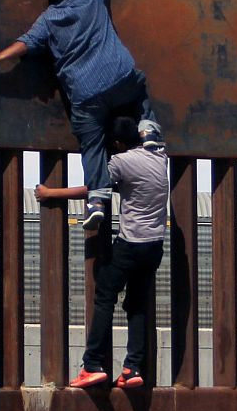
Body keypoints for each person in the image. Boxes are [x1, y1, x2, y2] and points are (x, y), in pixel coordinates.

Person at [0, 0, 158, 230]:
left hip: (86, 94)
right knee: (139, 85)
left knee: (91, 142)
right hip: (120, 76)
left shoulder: (48, 20)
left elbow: (24, 45)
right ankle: (148, 131)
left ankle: (97, 199)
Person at [36, 113, 168, 389]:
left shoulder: (120, 162)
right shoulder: (160, 158)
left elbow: (94, 187)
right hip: (155, 246)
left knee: (105, 296)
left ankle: (93, 365)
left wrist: (49, 194)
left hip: (130, 245)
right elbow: (131, 185)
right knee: (137, 305)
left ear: (117, 143)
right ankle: (132, 368)